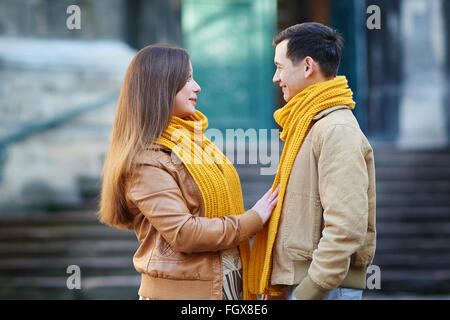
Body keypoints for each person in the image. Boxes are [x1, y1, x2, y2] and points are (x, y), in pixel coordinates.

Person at [98, 44, 279, 300]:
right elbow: (184, 233)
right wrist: (254, 219)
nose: (197, 87)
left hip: (225, 287)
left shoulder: (197, 145)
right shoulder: (146, 162)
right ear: (161, 87)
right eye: (187, 79)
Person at [248, 22, 376, 300]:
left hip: (323, 289)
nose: (274, 77)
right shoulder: (308, 125)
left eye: (280, 67)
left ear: (307, 66)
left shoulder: (335, 129)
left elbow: (346, 227)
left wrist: (308, 292)